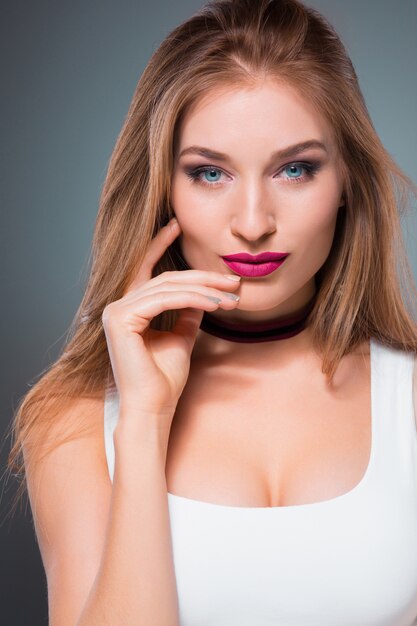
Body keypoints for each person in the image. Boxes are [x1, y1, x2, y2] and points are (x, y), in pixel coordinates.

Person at [6, 0, 417, 624]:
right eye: (209, 174)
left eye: (295, 169)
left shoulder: (409, 397)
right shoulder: (74, 420)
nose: (253, 224)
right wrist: (144, 421)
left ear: (348, 183)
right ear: (161, 186)